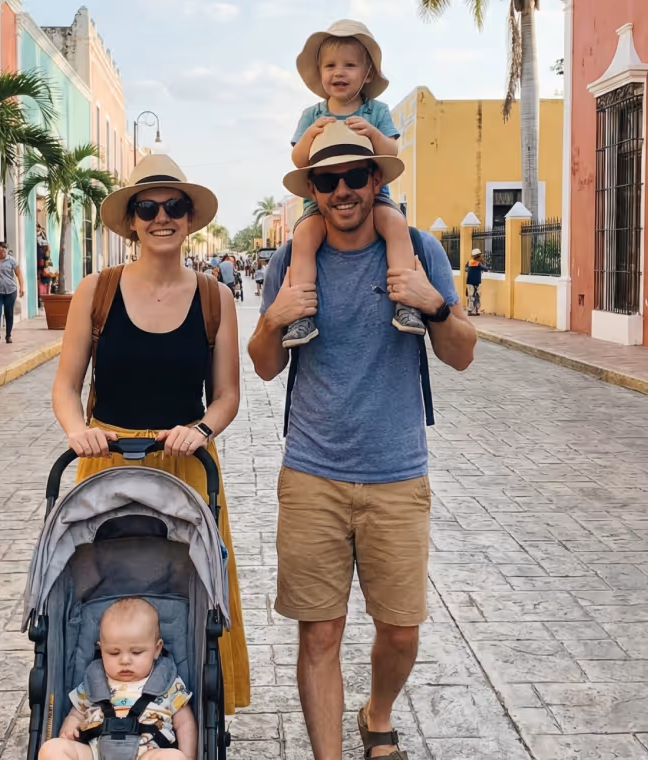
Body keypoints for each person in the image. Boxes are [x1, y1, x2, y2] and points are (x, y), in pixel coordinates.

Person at [248, 124, 476, 760]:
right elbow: (265, 366)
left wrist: (434, 305)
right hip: (311, 472)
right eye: (328, 180)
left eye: (355, 176)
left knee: (400, 631)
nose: (342, 190)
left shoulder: (420, 250)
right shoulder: (290, 260)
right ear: (314, 190)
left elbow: (462, 355)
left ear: (376, 180)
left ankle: (377, 711)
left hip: (397, 472)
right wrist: (273, 319)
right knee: (319, 634)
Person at [52, 153, 250, 715]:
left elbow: (227, 395)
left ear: (189, 217)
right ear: (131, 221)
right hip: (107, 462)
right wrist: (77, 430)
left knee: (193, 589)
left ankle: (192, 713)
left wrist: (201, 429)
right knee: (101, 586)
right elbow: (66, 385)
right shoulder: (97, 291)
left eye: (174, 206)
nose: (162, 217)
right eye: (147, 207)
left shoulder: (214, 297)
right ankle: (94, 702)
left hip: (185, 464)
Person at [282, 20, 424, 350]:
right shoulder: (312, 115)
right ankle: (301, 313)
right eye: (330, 65)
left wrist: (372, 134)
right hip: (320, 204)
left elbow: (391, 152)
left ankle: (406, 302)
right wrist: (311, 135)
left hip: (374, 198)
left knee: (396, 225)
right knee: (303, 238)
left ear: (367, 73)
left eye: (349, 65)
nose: (339, 72)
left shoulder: (376, 111)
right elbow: (299, 159)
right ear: (320, 73)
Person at [39, 598, 196, 760]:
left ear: (157, 649)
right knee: (51, 749)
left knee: (173, 757)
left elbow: (185, 724)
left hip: (147, 753)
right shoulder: (94, 681)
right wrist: (68, 732)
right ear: (101, 650)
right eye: (114, 653)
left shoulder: (168, 683)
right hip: (95, 752)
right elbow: (76, 715)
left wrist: (188, 756)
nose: (125, 660)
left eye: (136, 652)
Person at [465, 248, 489, 316]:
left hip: (469, 282)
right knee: (477, 297)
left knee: (471, 297)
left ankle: (470, 310)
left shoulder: (469, 262)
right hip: (477, 282)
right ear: (478, 256)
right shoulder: (478, 264)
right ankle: (475, 311)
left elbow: (466, 269)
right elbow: (485, 269)